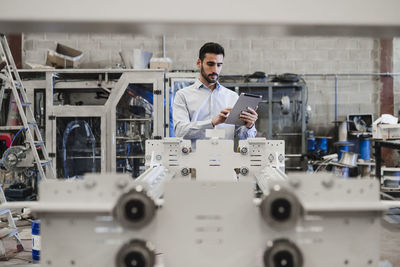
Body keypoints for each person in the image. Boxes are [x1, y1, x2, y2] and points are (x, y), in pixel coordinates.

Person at [173, 42, 258, 148]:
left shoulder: (232, 97)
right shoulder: (183, 95)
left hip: (226, 161)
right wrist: (212, 122)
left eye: (219, 65)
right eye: (210, 64)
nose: (215, 70)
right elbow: (180, 132)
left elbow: (243, 137)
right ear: (199, 63)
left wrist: (249, 125)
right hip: (194, 162)